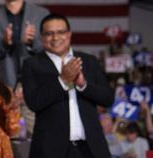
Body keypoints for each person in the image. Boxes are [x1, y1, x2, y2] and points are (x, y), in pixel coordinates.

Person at [21, 13, 114, 158]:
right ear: (41, 38)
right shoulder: (32, 65)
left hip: (91, 149)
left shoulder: (88, 61)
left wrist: (83, 85)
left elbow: (108, 98)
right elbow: (34, 102)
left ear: (69, 34)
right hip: (51, 150)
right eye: (49, 33)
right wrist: (63, 81)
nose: (55, 38)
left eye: (60, 32)